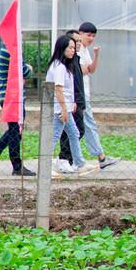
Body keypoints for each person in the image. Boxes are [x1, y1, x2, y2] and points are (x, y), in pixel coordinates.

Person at [0, 42, 35, 177]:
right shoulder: (10, 50)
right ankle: (16, 166)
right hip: (12, 97)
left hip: (12, 96)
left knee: (15, 130)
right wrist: (29, 68)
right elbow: (25, 71)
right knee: (15, 131)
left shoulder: (8, 49)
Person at [76, 22, 118, 170]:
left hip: (84, 93)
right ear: (80, 33)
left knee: (79, 127)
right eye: (88, 35)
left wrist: (96, 55)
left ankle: (74, 158)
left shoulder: (86, 50)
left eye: (93, 36)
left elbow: (91, 69)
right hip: (78, 94)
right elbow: (80, 70)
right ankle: (100, 157)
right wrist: (85, 68)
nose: (91, 38)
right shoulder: (77, 49)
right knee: (85, 125)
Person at [47, 33, 91, 175]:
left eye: (74, 48)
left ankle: (79, 163)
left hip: (64, 107)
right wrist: (65, 109)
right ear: (62, 48)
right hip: (60, 109)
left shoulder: (62, 65)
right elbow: (58, 90)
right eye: (70, 48)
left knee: (74, 133)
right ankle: (46, 166)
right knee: (55, 137)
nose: (73, 50)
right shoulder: (60, 67)